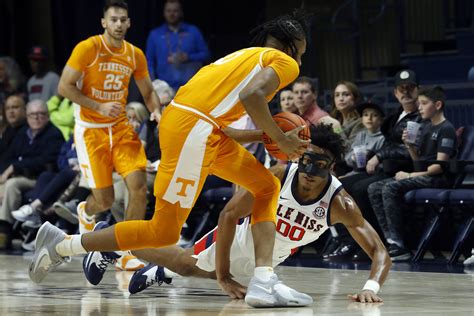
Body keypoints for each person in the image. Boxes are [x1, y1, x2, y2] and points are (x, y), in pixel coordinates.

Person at [30, 8, 312, 308]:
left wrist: (263, 136)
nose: (300, 62)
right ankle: (62, 245)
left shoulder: (243, 58)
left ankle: (263, 278)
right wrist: (281, 139)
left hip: (201, 127)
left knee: (266, 185)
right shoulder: (284, 62)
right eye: (302, 54)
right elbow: (252, 97)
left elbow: (222, 120)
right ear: (290, 47)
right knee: (163, 231)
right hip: (194, 130)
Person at [118, 124, 391, 304]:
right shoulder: (278, 176)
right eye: (306, 162)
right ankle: (114, 244)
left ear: (332, 168)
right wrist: (223, 275)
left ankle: (160, 271)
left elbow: (380, 253)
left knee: (217, 274)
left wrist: (371, 288)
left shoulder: (340, 204)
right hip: (239, 234)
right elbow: (228, 215)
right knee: (187, 263)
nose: (309, 172)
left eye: (319, 166)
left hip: (274, 255)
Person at [53, 0, 160, 240]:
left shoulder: (134, 54)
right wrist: (98, 106)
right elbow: (64, 87)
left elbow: (149, 91)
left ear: (129, 23)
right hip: (91, 131)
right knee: (105, 200)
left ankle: (128, 249)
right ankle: (85, 211)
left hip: (121, 128)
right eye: (114, 20)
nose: (119, 24)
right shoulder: (88, 48)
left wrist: (157, 112)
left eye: (123, 20)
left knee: (139, 186)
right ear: (104, 22)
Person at [333, 69, 422, 261]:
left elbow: (408, 150)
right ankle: (351, 240)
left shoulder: (421, 117)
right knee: (339, 187)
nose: (406, 92)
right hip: (384, 167)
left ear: (418, 90)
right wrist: (373, 156)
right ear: (396, 93)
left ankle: (372, 241)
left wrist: (378, 156)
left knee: (361, 188)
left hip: (403, 169)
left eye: (410, 88)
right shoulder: (394, 116)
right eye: (401, 88)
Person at [368, 86, 457, 261]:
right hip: (425, 176)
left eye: (424, 103)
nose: (420, 107)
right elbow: (419, 165)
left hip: (439, 180)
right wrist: (410, 147)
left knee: (389, 188)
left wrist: (408, 176)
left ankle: (400, 245)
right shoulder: (426, 128)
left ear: (438, 105)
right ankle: (390, 239)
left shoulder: (446, 129)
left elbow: (438, 168)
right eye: (419, 104)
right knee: (374, 188)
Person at [0, 99, 64, 249]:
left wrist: (16, 167)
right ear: (27, 117)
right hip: (21, 176)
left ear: (48, 116)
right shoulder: (23, 133)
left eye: (41, 114)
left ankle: (4, 231)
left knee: (12, 184)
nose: (36, 117)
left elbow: (45, 161)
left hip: (40, 179)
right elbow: (9, 156)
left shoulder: (53, 134)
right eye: (32, 114)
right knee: (5, 184)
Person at [146, 0, 210, 91]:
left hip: (190, 86)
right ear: (164, 13)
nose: (172, 14)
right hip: (164, 88)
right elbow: (149, 62)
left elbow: (206, 55)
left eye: (175, 11)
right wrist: (153, 84)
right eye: (168, 11)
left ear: (181, 13)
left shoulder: (193, 31)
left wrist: (189, 57)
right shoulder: (155, 34)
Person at [343, 97, 385, 174]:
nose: (369, 118)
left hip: (370, 174)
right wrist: (353, 157)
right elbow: (347, 158)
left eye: (375, 115)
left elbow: (382, 164)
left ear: (381, 120)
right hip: (355, 172)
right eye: (365, 115)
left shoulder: (382, 138)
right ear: (362, 118)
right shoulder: (361, 135)